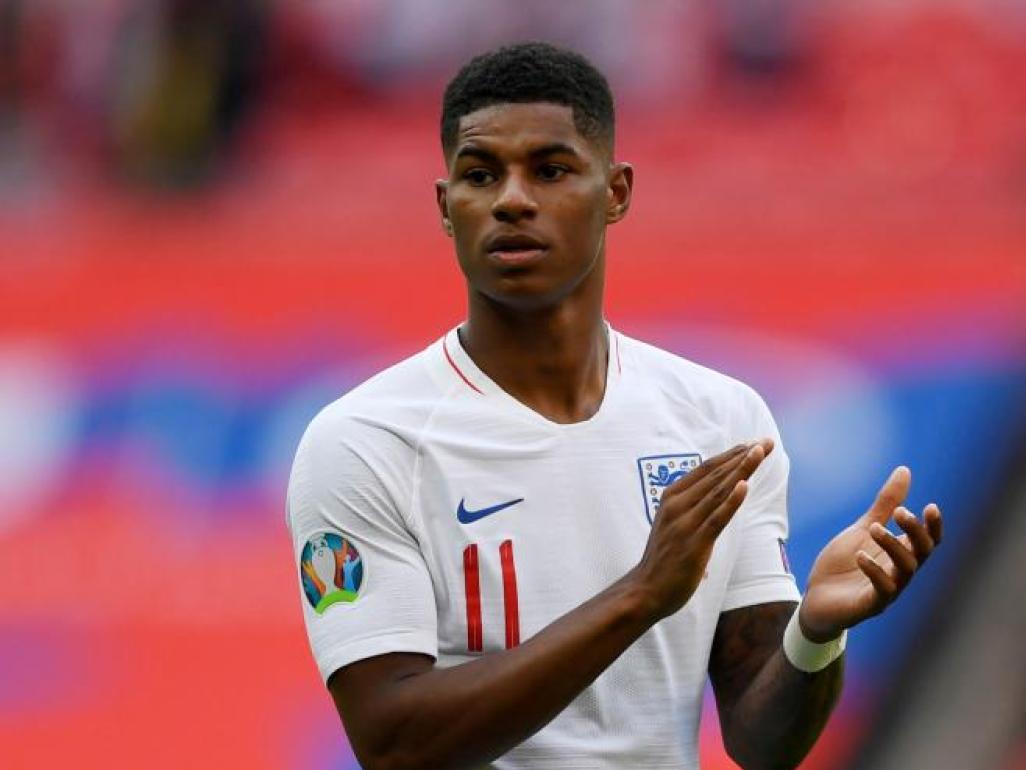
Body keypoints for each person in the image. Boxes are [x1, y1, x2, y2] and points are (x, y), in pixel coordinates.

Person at [286, 41, 943, 770]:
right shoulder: (365, 441)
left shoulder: (721, 421)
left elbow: (761, 742)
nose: (511, 199)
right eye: (480, 175)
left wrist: (815, 634)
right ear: (447, 208)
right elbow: (394, 742)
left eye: (551, 169)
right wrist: (639, 596)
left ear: (616, 192)